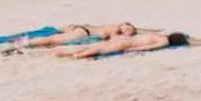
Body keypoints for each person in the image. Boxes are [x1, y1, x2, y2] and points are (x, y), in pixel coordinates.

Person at [52, 28, 189, 59]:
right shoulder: (163, 40)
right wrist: (135, 49)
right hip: (128, 44)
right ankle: (77, 56)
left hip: (124, 39)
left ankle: (63, 51)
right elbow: (150, 47)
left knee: (97, 46)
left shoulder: (159, 35)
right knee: (99, 50)